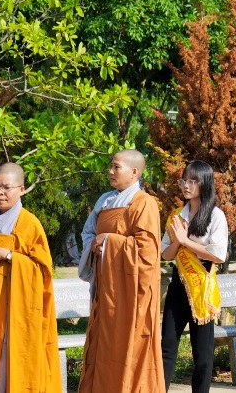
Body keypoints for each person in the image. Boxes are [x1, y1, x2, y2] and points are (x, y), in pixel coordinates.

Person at [78, 149, 165, 392]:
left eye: (116, 167)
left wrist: (108, 241)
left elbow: (147, 251)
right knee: (102, 343)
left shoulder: (144, 203)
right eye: (111, 166)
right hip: (106, 287)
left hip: (131, 292)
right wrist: (96, 243)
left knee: (130, 343)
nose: (110, 171)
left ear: (134, 172)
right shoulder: (104, 201)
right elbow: (88, 233)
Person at [0, 163, 61, 392]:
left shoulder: (29, 224)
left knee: (10, 361)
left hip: (17, 308)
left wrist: (7, 255)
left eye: (6, 187)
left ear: (21, 189)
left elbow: (42, 268)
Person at [161, 161, 229, 393]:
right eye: (184, 180)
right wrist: (178, 242)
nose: (186, 186)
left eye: (192, 181)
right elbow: (166, 254)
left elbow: (218, 255)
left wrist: (184, 241)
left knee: (202, 354)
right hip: (178, 285)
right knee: (167, 346)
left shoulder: (215, 216)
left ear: (204, 183)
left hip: (202, 288)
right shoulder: (176, 216)